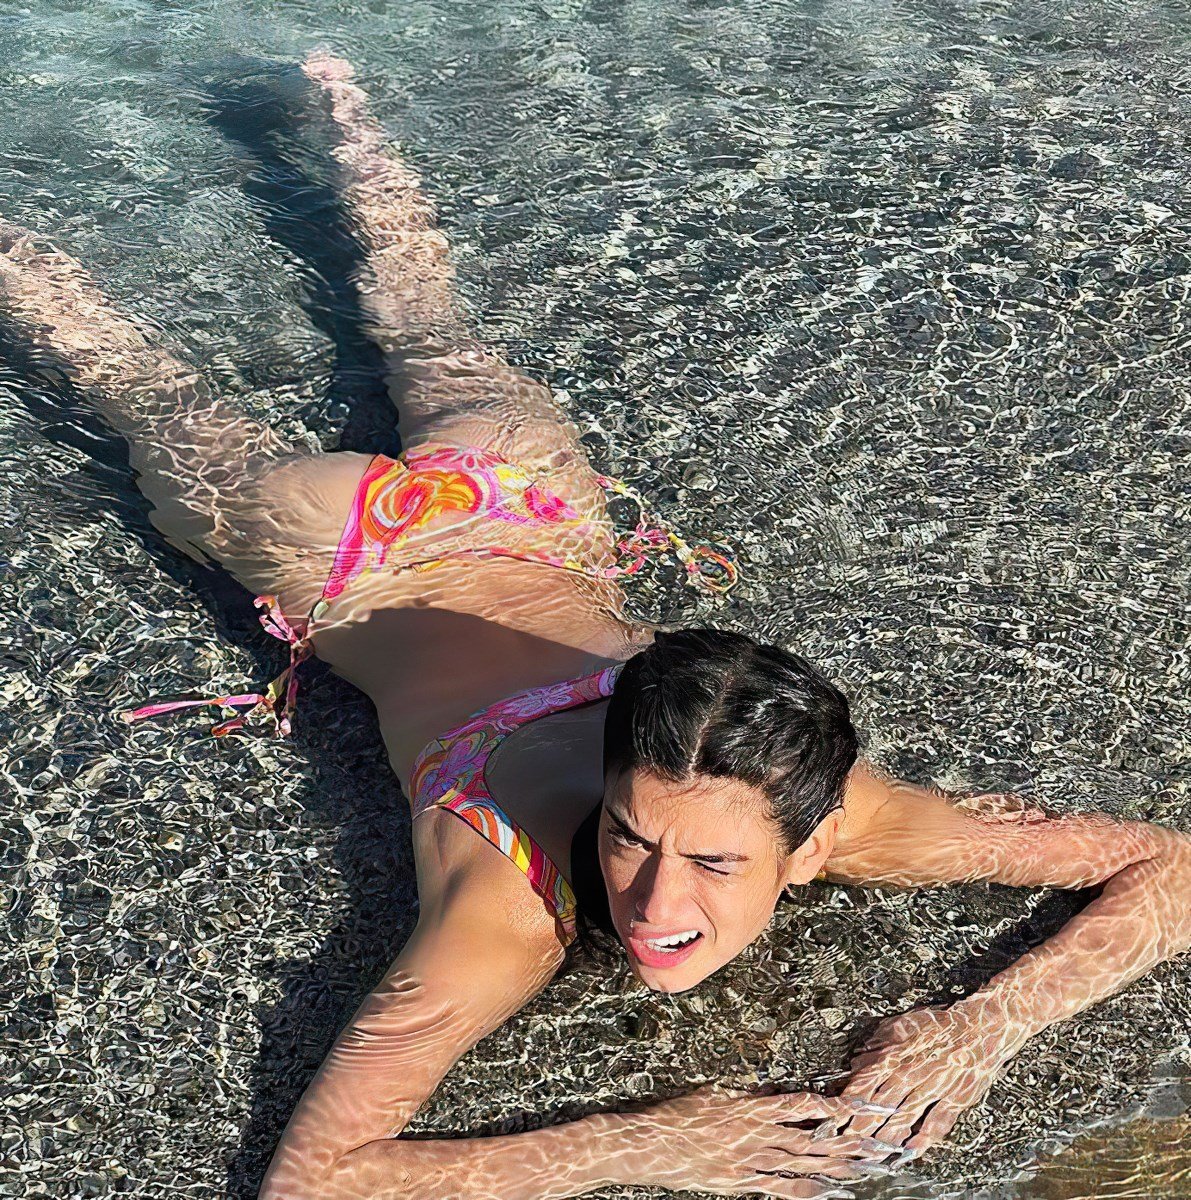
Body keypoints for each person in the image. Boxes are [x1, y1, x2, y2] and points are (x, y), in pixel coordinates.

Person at [1, 49, 1187, 1200]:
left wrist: (985, 1026)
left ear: (815, 848)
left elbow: (1174, 866)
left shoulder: (852, 812)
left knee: (353, 334)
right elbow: (311, 1182)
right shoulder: (506, 909)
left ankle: (338, 95)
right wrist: (643, 1143)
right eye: (629, 836)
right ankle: (333, 102)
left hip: (525, 502)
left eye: (714, 863)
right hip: (342, 556)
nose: (656, 905)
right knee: (186, 371)